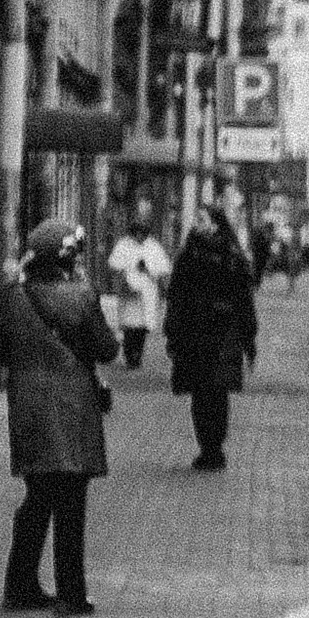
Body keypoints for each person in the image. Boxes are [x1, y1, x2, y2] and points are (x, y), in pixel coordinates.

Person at [0, 219, 117, 616]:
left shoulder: (12, 296)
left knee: (37, 497)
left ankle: (20, 585)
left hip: (28, 409)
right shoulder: (82, 296)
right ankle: (71, 594)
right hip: (72, 409)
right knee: (71, 503)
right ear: (68, 259)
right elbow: (107, 348)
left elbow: (0, 351)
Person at [165, 196, 257, 467]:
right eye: (196, 219)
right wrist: (172, 331)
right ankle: (207, 447)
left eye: (202, 219)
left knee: (217, 392)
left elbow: (244, 300)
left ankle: (214, 447)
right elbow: (176, 296)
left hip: (223, 333)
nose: (196, 224)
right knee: (200, 392)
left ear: (216, 225)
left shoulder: (232, 256)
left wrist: (249, 337)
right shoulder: (188, 255)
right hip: (193, 333)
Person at [103, 194, 170, 372]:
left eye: (143, 233)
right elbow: (114, 264)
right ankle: (129, 353)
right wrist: (123, 279)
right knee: (129, 325)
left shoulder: (153, 246)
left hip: (146, 291)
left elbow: (163, 268)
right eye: (137, 233)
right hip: (129, 289)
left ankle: (137, 354)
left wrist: (148, 268)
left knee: (141, 327)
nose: (140, 237)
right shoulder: (124, 244)